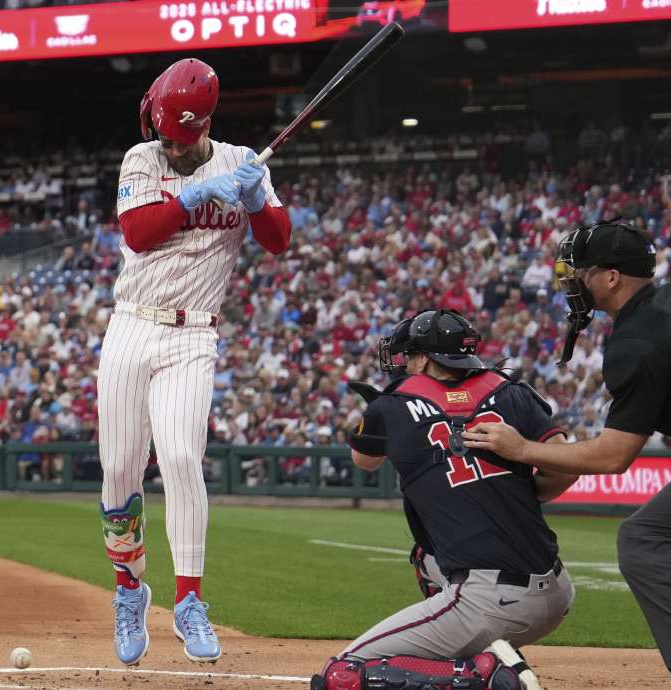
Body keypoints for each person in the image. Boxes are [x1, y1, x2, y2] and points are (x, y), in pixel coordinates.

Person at [465, 222, 671, 690]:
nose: (573, 282)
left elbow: (613, 456)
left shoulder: (637, 339)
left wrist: (520, 448)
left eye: (581, 272)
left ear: (611, 277)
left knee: (645, 538)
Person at [99, 57, 292, 666]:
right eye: (167, 138)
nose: (173, 149)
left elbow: (279, 241)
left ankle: (189, 600)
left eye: (182, 141)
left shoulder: (242, 161)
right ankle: (130, 588)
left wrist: (258, 200)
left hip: (193, 335)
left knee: (182, 458)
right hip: (132, 325)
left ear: (204, 125)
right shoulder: (141, 159)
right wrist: (193, 195)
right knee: (120, 469)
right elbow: (137, 232)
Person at [313, 310, 578, 690]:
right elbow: (566, 468)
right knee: (427, 556)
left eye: (409, 355)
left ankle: (482, 674)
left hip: (490, 601)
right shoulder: (511, 391)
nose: (404, 363)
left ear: (424, 360)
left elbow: (364, 461)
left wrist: (382, 414)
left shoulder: (392, 405)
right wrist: (515, 495)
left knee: (341, 676)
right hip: (557, 589)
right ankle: (480, 650)